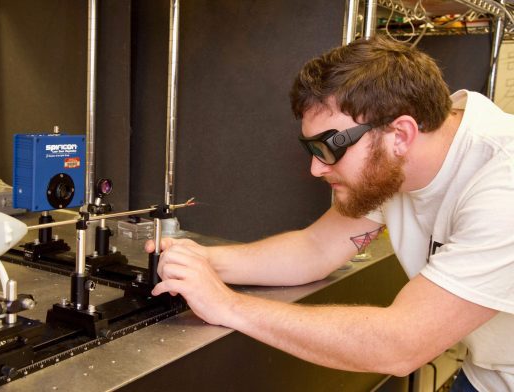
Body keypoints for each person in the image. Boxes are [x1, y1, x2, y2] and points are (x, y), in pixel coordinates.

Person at [147, 36, 514, 391]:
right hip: (484, 376)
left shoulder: (503, 185)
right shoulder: (399, 157)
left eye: (329, 147)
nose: (316, 169)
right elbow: (315, 249)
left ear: (401, 134)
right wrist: (203, 262)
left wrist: (227, 305)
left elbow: (400, 344)